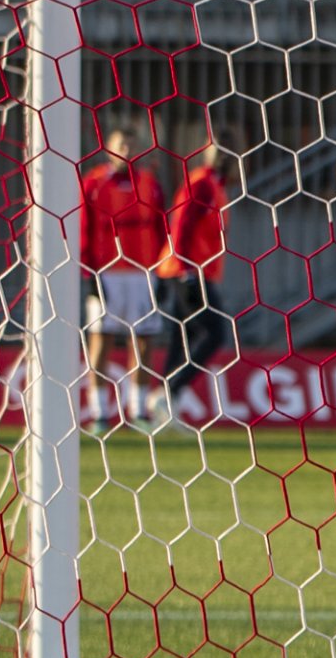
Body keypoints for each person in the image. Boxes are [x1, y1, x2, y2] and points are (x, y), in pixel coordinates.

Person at [81, 123, 167, 430]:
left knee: (143, 341)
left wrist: (162, 272)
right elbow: (83, 228)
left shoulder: (149, 183)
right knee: (101, 341)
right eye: (121, 146)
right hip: (107, 273)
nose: (127, 152)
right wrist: (89, 273)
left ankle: (139, 411)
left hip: (143, 273)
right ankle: (99, 413)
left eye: (132, 146)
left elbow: (161, 228)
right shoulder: (93, 182)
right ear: (109, 150)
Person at [156, 135, 235, 426]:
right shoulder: (202, 183)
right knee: (214, 333)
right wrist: (187, 269)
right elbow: (183, 224)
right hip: (187, 271)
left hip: (188, 270)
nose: (225, 158)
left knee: (184, 337)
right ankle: (170, 390)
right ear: (207, 155)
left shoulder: (215, 185)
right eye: (219, 152)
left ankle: (165, 406)